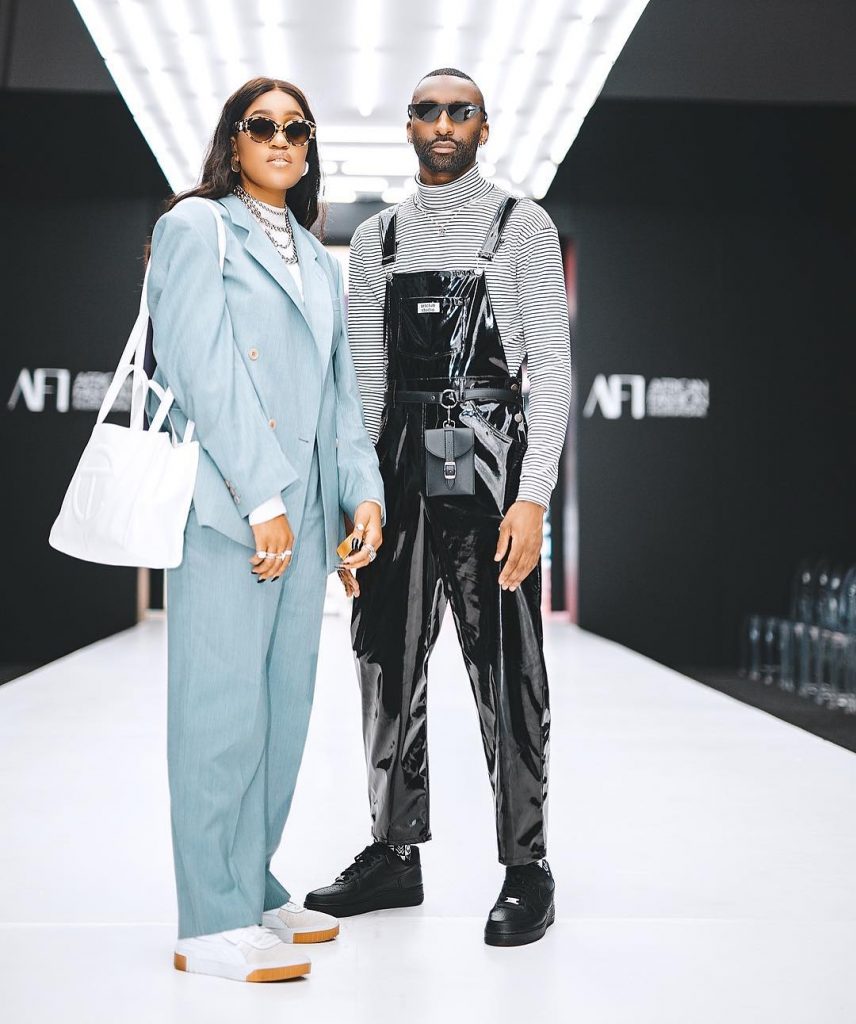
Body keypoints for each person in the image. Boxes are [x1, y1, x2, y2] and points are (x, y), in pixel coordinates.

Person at [305, 68, 571, 947]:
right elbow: (365, 386)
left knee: (508, 669)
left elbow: (551, 370)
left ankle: (527, 867)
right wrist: (358, 498)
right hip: (397, 469)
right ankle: (393, 853)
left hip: (494, 468)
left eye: (461, 111)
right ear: (409, 126)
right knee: (384, 659)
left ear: (484, 127)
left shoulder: (521, 225)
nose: (444, 123)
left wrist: (532, 497)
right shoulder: (374, 240)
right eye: (427, 111)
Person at [146, 77, 384, 982]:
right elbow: (202, 369)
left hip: (307, 514)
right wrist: (260, 497)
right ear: (234, 139)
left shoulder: (321, 259)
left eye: (296, 128)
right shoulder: (196, 227)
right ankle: (209, 917)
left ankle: (249, 881)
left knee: (283, 714)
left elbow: (342, 397)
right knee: (219, 711)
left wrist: (361, 496)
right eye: (262, 125)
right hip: (233, 509)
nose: (281, 139)